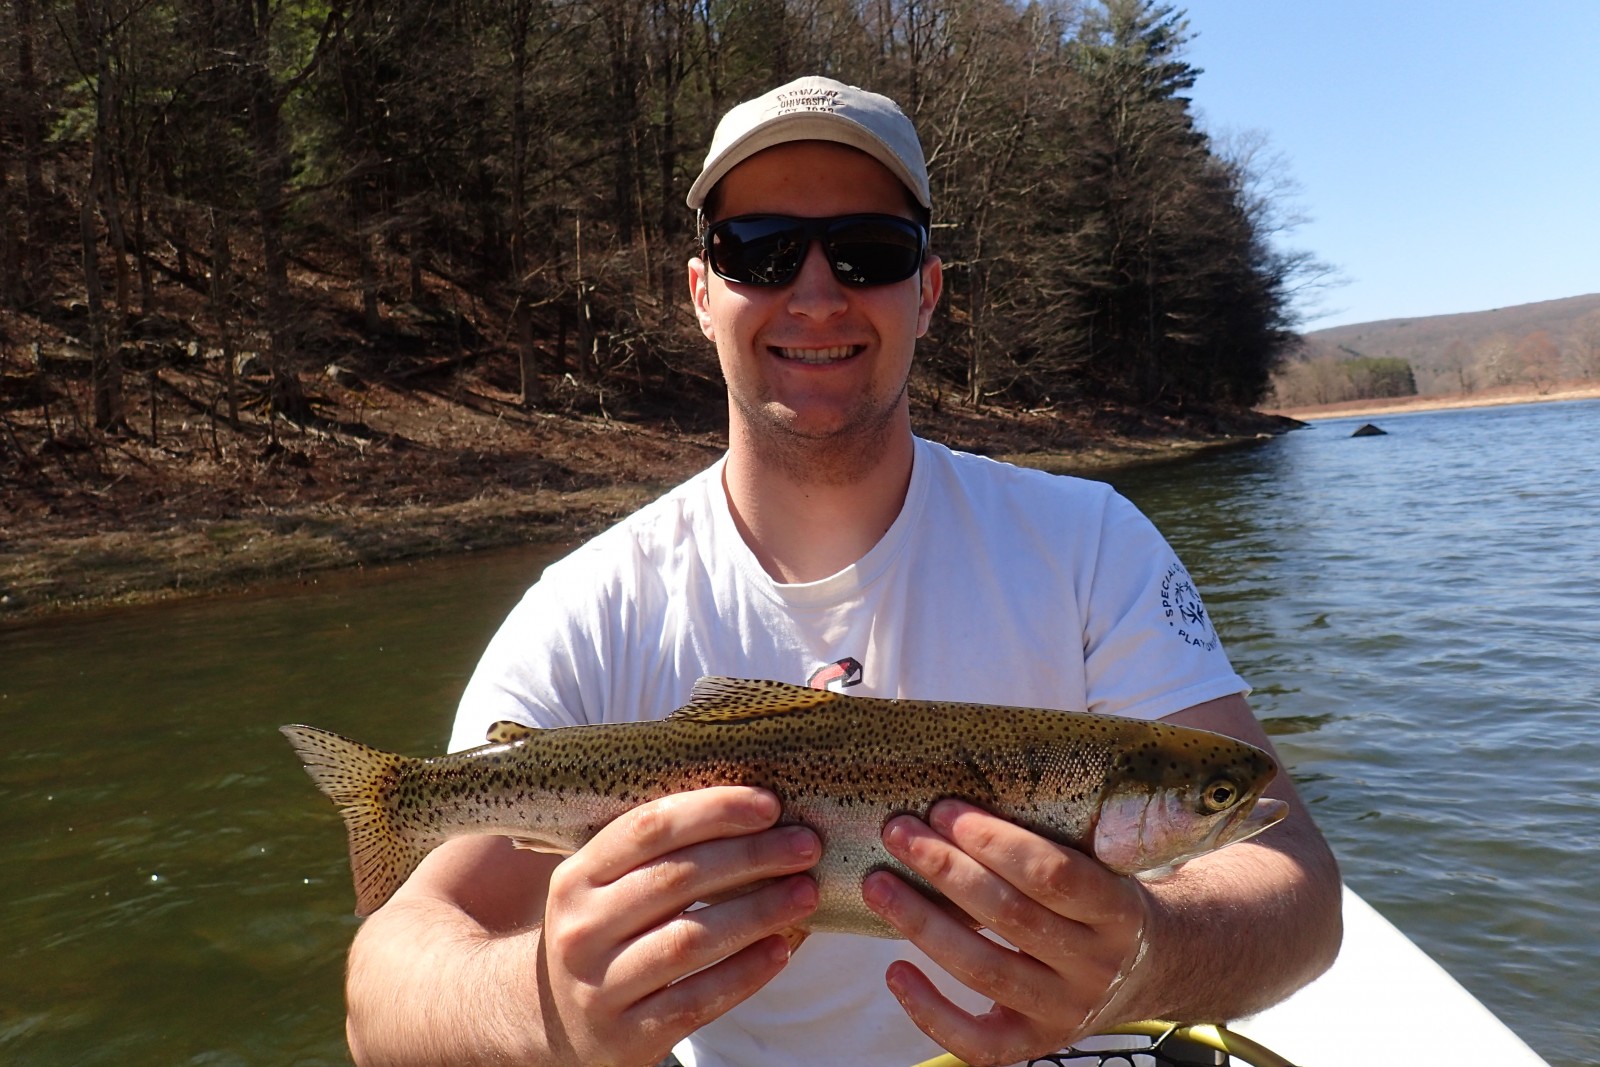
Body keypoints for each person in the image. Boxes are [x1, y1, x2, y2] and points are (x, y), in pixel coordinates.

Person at [341, 75, 1342, 1067]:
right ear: (701, 292)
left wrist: (1145, 954)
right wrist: (547, 1002)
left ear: (927, 289)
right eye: (759, 251)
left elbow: (1292, 881)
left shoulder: (1088, 543)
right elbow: (384, 987)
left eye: (867, 252)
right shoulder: (589, 607)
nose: (815, 294)